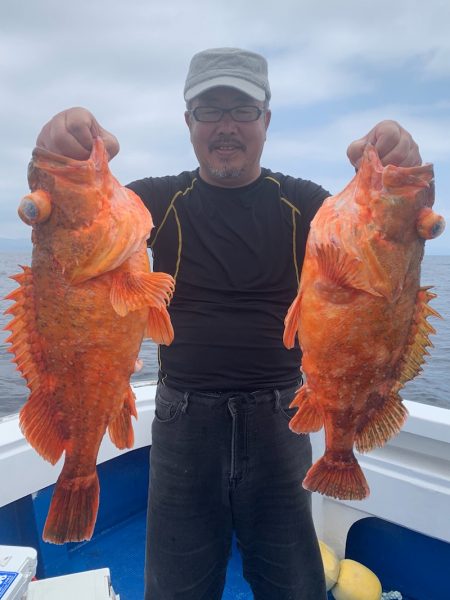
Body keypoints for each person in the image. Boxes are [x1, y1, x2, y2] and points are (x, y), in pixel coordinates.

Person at [36, 48, 421, 600]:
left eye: (241, 111)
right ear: (188, 123)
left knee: (293, 585)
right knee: (176, 589)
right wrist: (61, 139)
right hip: (183, 422)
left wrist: (392, 153)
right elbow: (74, 224)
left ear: (267, 120)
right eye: (209, 111)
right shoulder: (152, 202)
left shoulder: (308, 207)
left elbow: (380, 230)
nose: (225, 127)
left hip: (282, 420)